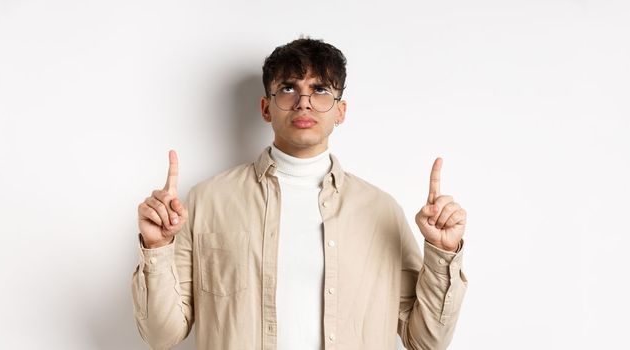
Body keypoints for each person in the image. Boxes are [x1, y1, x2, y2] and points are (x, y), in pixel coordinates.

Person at [132, 37, 468, 349]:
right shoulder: (208, 202)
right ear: (266, 107)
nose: (303, 103)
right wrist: (157, 247)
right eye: (289, 88)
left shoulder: (381, 211)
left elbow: (426, 340)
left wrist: (443, 251)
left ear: (340, 111)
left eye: (320, 89)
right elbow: (162, 335)